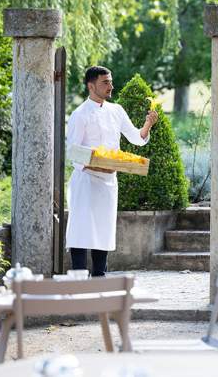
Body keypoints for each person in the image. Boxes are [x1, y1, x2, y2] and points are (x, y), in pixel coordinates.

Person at [65, 66, 158, 276]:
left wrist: (148, 124)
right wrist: (97, 163)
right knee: (81, 230)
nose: (111, 86)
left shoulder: (117, 110)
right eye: (105, 82)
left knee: (103, 230)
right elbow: (73, 152)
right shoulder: (79, 114)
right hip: (86, 181)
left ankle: (100, 277)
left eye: (110, 81)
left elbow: (136, 138)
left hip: (108, 182)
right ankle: (78, 280)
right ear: (91, 86)